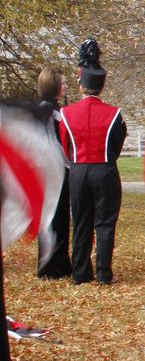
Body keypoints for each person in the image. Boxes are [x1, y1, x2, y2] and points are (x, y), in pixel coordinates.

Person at [59, 39, 127, 285]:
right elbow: (117, 143)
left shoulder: (66, 113)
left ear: (81, 85)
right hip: (105, 169)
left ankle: (80, 272)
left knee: (81, 221)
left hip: (78, 170)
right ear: (101, 86)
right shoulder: (114, 113)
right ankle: (104, 273)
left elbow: (65, 142)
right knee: (105, 223)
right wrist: (107, 160)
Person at [35, 67, 73, 279]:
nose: (66, 86)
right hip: (52, 171)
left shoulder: (56, 108)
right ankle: (50, 266)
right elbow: (50, 142)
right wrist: (67, 163)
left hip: (58, 170)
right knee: (52, 218)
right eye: (63, 82)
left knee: (60, 218)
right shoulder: (46, 109)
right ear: (53, 85)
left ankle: (60, 262)